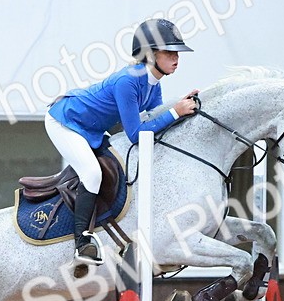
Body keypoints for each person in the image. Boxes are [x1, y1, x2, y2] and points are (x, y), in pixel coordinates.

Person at [45, 18, 199, 268]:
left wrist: (178, 105)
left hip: (92, 128)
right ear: (150, 54)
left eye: (177, 52)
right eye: (169, 52)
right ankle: (82, 242)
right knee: (92, 173)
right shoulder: (128, 80)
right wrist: (176, 112)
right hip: (65, 121)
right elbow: (137, 135)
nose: (176, 58)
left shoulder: (153, 83)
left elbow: (154, 114)